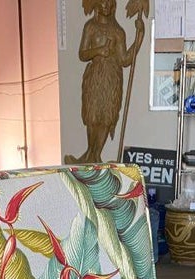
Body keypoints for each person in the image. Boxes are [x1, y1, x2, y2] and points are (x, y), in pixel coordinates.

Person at [66, 0, 144, 164]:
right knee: (92, 116)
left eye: (109, 2)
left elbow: (124, 60)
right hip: (95, 75)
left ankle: (95, 156)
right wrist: (98, 51)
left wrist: (139, 39)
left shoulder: (118, 31)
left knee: (106, 117)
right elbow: (82, 54)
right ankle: (90, 155)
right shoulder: (90, 27)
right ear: (95, 4)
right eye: (102, 2)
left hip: (112, 77)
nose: (106, 5)